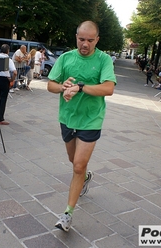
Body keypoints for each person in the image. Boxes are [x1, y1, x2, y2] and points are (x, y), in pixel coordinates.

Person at [47, 21, 116, 232]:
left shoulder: (104, 59)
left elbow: (108, 88)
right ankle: (86, 177)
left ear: (97, 40)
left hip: (91, 119)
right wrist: (63, 87)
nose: (84, 44)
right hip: (68, 118)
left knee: (77, 165)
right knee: (73, 160)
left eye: (89, 40)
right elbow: (50, 85)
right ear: (76, 36)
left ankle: (67, 213)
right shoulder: (66, 58)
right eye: (81, 39)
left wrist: (81, 87)